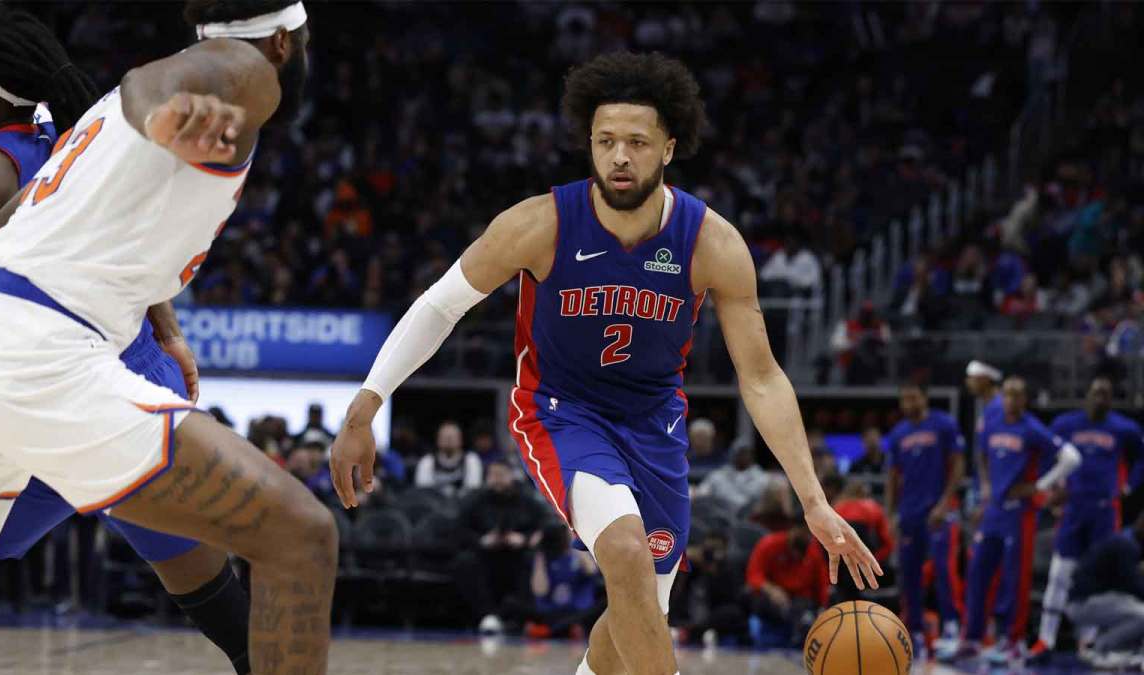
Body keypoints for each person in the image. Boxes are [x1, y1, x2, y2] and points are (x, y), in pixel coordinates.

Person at [330, 51, 881, 675]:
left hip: (655, 424)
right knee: (624, 554)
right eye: (606, 141)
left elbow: (760, 377)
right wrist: (366, 402)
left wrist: (813, 501)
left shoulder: (713, 243)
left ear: (669, 148)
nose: (620, 156)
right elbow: (438, 308)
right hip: (562, 412)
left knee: (638, 613)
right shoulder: (540, 224)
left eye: (638, 142)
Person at [0, 3, 340, 674]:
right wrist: (161, 113)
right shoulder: (243, 70)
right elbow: (166, 86)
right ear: (284, 41)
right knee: (299, 535)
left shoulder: (93, 122)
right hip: (38, 353)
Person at [939, 377, 1081, 666]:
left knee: (1015, 578)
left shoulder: (1031, 428)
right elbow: (981, 455)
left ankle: (1013, 642)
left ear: (1025, 399)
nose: (1012, 400)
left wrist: (1041, 486)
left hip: (1019, 512)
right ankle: (973, 638)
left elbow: (1071, 457)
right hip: (994, 509)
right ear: (1001, 397)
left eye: (1017, 395)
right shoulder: (991, 423)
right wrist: (987, 487)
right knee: (978, 572)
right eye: (1007, 394)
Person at [1030, 377, 1144, 662]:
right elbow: (1045, 453)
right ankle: (1046, 639)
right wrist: (1052, 486)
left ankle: (1089, 642)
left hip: (1104, 510)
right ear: (1087, 395)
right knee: (1059, 574)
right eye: (1096, 393)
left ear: (1112, 399)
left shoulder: (1124, 427)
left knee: (1101, 580)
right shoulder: (1065, 424)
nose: (1100, 399)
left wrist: (1129, 485)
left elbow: (1141, 458)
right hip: (1073, 508)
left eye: (1106, 394)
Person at [884, 382, 966, 657]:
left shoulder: (943, 424)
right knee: (909, 576)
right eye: (904, 398)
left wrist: (945, 504)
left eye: (913, 397)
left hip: (940, 511)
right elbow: (893, 478)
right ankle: (914, 632)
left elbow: (958, 465)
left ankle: (952, 627)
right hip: (909, 512)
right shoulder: (898, 434)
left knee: (944, 569)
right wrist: (891, 514)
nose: (908, 403)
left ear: (924, 397)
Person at [455, 460, 549, 635]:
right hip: (486, 553)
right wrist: (482, 540)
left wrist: (524, 539)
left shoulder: (528, 499)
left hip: (518, 553)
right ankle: (487, 616)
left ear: (511, 475)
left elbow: (545, 525)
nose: (496, 480)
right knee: (465, 562)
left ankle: (518, 618)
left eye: (501, 475)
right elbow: (461, 529)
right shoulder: (476, 500)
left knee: (532, 560)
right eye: (492, 475)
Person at [1065, 512, 1144, 669]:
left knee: (1131, 607)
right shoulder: (1126, 546)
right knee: (1142, 615)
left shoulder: (1124, 539)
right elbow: (1134, 587)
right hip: (1083, 603)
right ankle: (1101, 649)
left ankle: (1120, 649)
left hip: (1093, 599)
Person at [745, 506, 829, 648]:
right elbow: (754, 574)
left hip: (801, 600)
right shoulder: (769, 544)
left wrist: (823, 608)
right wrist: (771, 589)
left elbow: (821, 584)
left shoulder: (813, 550)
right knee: (754, 598)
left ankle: (802, 632)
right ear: (792, 529)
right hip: (773, 597)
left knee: (804, 611)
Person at [526, 522, 602, 640]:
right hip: (553, 611)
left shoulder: (580, 555)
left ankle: (550, 630)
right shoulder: (544, 558)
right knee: (515, 606)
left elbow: (592, 571)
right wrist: (539, 551)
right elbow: (540, 591)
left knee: (601, 606)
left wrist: (573, 542)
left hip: (578, 610)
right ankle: (560, 628)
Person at [413, 420, 483, 497]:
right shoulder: (427, 461)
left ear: (461, 440)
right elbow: (423, 491)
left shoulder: (471, 459)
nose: (449, 440)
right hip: (434, 506)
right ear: (438, 440)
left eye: (452, 437)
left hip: (464, 505)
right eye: (445, 437)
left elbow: (473, 491)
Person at [686, 418, 726, 483]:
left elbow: (725, 474)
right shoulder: (684, 456)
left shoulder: (721, 456)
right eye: (696, 437)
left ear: (712, 437)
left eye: (704, 436)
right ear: (690, 438)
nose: (700, 441)